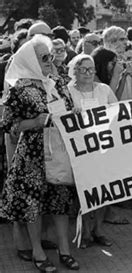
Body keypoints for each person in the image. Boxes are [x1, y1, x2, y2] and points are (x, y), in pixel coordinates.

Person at [0, 34, 79, 272]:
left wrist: (74, 111)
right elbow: (8, 125)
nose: (49, 60)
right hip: (32, 155)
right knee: (32, 205)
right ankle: (37, 251)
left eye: (51, 56)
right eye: (44, 57)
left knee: (61, 202)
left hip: (60, 152)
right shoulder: (19, 88)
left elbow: (67, 108)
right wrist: (34, 122)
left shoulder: (57, 82)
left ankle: (64, 249)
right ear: (30, 59)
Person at [67, 54, 117, 248]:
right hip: (80, 150)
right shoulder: (68, 91)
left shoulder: (104, 89)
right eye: (83, 69)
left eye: (91, 69)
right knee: (84, 192)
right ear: (75, 71)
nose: (88, 73)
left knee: (105, 191)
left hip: (104, 147)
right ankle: (85, 231)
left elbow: (117, 112)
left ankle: (98, 230)